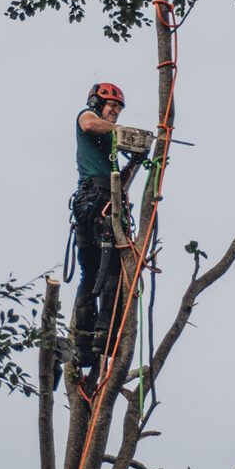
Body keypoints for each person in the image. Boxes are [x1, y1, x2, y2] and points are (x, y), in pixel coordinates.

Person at [72, 82, 145, 368]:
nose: (114, 112)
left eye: (117, 109)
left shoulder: (109, 145)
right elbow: (90, 125)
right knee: (109, 269)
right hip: (95, 199)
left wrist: (135, 161)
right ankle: (103, 336)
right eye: (110, 107)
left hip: (104, 198)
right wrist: (126, 133)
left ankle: (87, 347)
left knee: (91, 276)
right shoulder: (87, 118)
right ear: (96, 103)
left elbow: (121, 183)